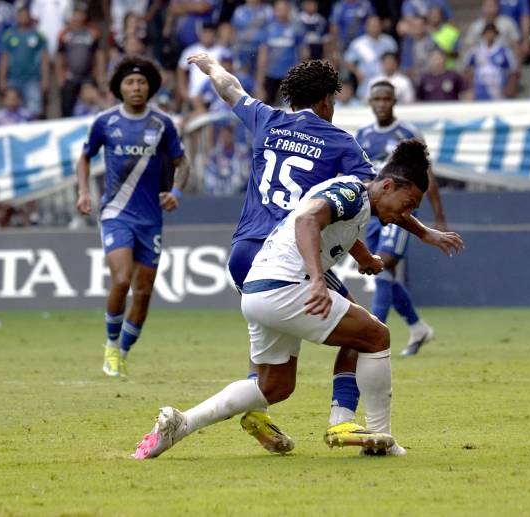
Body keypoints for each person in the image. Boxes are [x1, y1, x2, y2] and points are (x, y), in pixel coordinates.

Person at [184, 53, 463, 452]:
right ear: (327, 101)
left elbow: (230, 88)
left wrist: (211, 65)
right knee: (364, 330)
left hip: (244, 251)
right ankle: (342, 419)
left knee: (270, 337)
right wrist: (425, 232)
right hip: (291, 248)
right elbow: (380, 196)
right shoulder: (340, 142)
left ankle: (257, 406)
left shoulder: (266, 118)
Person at [133, 140, 433, 460]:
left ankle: (180, 423)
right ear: (387, 186)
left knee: (274, 387)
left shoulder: (355, 199)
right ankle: (370, 433)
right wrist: (317, 279)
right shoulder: (351, 195)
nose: (407, 212)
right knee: (375, 336)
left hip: (257, 292)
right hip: (286, 286)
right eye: (408, 203)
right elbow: (306, 221)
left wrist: (371, 255)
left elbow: (337, 227)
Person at [75, 56, 191, 377]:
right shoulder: (105, 122)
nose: (136, 87)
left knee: (142, 292)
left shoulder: (163, 123)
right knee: (122, 279)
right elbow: (84, 157)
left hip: (151, 217)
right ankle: (111, 346)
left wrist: (176, 192)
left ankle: (123, 352)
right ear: (120, 88)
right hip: (115, 213)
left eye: (141, 82)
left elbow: (183, 163)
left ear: (150, 87)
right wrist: (83, 192)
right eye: (130, 82)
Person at [356, 80, 447, 356]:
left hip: (400, 210)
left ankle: (372, 335)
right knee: (382, 272)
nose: (382, 104)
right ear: (370, 102)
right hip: (374, 210)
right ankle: (418, 327)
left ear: (394, 101)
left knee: (384, 263)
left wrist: (439, 216)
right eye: (377, 99)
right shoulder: (363, 135)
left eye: (387, 99)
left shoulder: (408, 133)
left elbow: (427, 176)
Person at [0, 4, 49, 117]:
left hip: (33, 79)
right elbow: (4, 59)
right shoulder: (9, 35)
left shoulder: (38, 35)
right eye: (20, 15)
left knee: (34, 110)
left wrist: (45, 80)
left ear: (30, 17)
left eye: (25, 15)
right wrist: (2, 79)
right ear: (16, 17)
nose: (23, 18)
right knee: (11, 109)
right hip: (13, 78)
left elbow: (44, 59)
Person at [463, 22, 519, 100]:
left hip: (499, 91)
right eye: (487, 32)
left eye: (492, 32)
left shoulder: (504, 51)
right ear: (483, 34)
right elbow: (466, 69)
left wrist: (510, 88)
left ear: (496, 34)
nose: (489, 35)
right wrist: (470, 88)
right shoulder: (475, 50)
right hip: (480, 91)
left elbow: (513, 71)